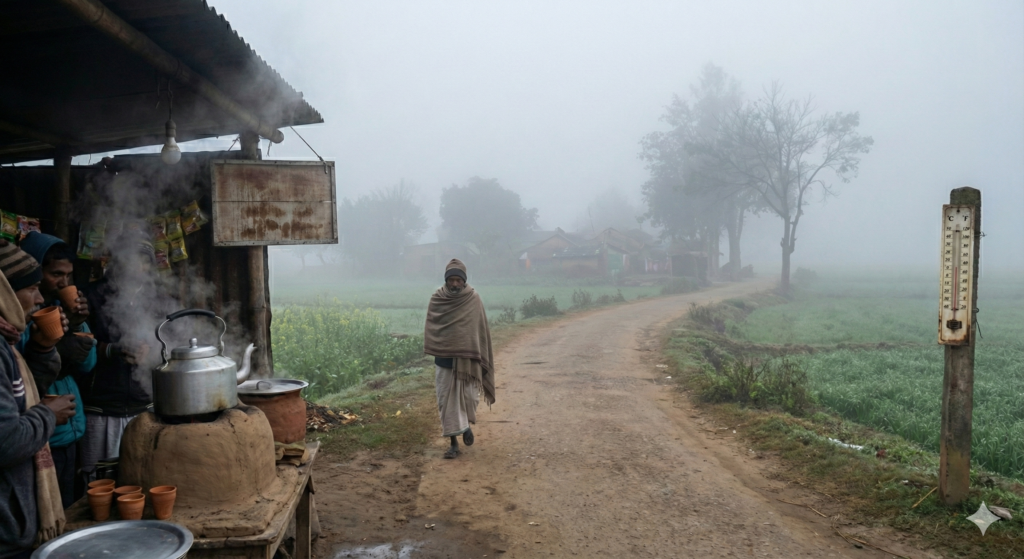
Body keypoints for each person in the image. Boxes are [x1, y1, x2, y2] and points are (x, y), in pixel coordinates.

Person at [0, 240, 75, 558]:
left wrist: (43, 347)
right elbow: (5, 441)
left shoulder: (8, 342)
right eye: (31, 288)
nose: (41, 298)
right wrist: (47, 414)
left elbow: (19, 397)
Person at [19, 232, 96, 508]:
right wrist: (53, 349)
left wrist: (76, 325)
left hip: (71, 430)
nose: (64, 282)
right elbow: (24, 376)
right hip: (39, 434)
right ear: (34, 270)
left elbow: (88, 365)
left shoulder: (61, 309)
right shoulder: (18, 320)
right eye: (55, 274)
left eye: (68, 275)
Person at [79, 238, 156, 482]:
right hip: (102, 408)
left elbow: (172, 342)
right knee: (99, 482)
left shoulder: (159, 298)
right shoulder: (89, 297)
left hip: (144, 407)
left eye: (143, 262)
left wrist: (150, 353)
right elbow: (75, 345)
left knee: (142, 479)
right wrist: (112, 350)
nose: (136, 268)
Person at [423, 259, 496, 459]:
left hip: (468, 361)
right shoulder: (437, 299)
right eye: (451, 280)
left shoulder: (473, 299)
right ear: (446, 281)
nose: (455, 284)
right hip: (444, 361)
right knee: (446, 402)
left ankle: (465, 427)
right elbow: (434, 327)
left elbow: (478, 330)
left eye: (458, 280)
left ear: (464, 281)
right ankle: (453, 443)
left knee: (470, 398)